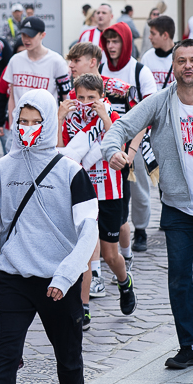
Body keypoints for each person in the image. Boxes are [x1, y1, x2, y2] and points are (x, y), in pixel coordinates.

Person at [0, 89, 99, 384]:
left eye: (36, 121)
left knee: (69, 361)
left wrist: (66, 274)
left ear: (49, 124)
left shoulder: (71, 171)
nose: (27, 127)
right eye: (23, 120)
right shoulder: (1, 168)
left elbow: (89, 231)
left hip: (59, 281)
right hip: (12, 278)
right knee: (4, 358)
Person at [103, 38, 193, 370]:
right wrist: (112, 150)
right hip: (178, 207)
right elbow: (121, 126)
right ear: (173, 66)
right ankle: (188, 344)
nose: (188, 65)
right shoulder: (160, 102)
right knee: (180, 278)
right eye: (181, 60)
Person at [58, 74, 136, 327]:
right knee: (85, 255)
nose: (85, 102)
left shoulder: (112, 117)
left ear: (102, 97)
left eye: (91, 97)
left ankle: (125, 283)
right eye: (80, 97)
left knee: (110, 255)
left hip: (110, 193)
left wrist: (103, 117)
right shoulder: (71, 118)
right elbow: (60, 153)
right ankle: (84, 308)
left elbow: (119, 145)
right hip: (82, 193)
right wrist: (59, 117)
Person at [100, 22, 158, 253]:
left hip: (137, 141)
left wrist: (132, 150)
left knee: (139, 190)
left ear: (125, 43)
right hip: (108, 140)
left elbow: (150, 109)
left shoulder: (139, 71)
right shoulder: (101, 68)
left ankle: (141, 229)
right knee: (111, 191)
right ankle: (112, 234)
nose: (112, 46)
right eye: (108, 42)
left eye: (116, 41)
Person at [0, 17, 71, 146]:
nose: (26, 39)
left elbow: (66, 97)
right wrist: (11, 124)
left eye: (30, 36)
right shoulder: (15, 60)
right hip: (19, 127)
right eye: (23, 35)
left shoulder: (56, 61)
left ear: (42, 35)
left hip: (45, 127)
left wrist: (61, 124)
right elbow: (12, 96)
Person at [141, 15, 176, 89]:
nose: (149, 37)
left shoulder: (181, 57)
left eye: (153, 34)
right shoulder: (147, 58)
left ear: (165, 35)